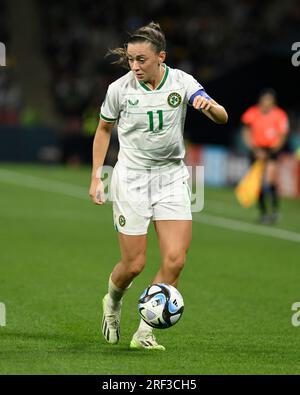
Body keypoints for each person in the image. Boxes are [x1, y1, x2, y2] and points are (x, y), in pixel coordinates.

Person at [89, 22, 228, 351]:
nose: (134, 67)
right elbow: (103, 130)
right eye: (131, 60)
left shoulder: (182, 82)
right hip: (132, 178)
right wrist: (98, 174)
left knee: (176, 260)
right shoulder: (119, 90)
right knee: (134, 265)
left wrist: (210, 108)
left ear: (161, 58)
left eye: (141, 60)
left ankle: (145, 331)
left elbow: (223, 117)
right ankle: (112, 301)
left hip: (171, 177)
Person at [241, 89, 289, 224]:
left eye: (269, 100)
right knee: (258, 184)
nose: (266, 102)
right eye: (264, 99)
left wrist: (271, 151)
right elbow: (246, 131)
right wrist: (253, 148)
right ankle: (263, 212)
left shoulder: (280, 115)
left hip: (271, 151)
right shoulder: (252, 112)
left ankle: (274, 210)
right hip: (256, 151)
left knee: (270, 181)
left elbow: (282, 136)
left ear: (273, 102)